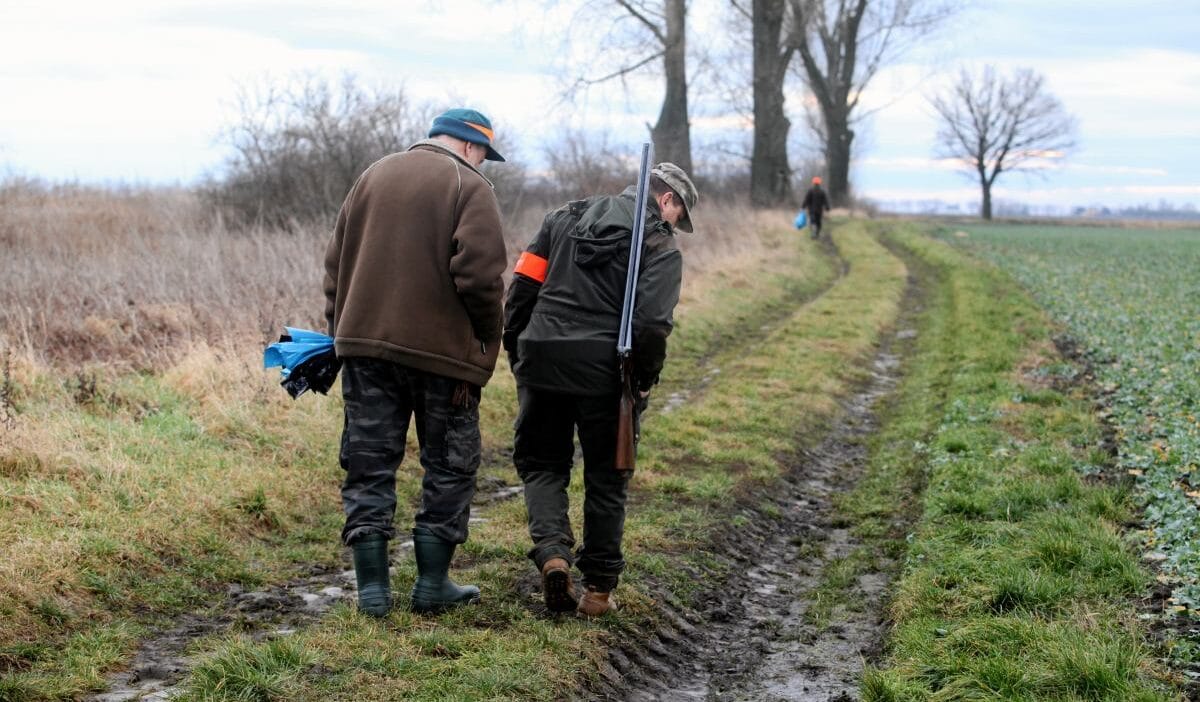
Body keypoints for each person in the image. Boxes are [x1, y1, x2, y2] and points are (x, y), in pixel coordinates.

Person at [322, 108, 508, 617]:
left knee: (368, 465)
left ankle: (373, 593)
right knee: (449, 464)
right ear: (472, 147)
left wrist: (342, 331)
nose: (483, 163)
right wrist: (487, 337)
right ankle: (431, 585)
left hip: (364, 350)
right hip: (443, 359)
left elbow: (336, 267)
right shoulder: (470, 187)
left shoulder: (371, 176)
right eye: (484, 155)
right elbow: (481, 278)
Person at [502, 162, 698, 617]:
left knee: (542, 464)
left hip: (542, 359)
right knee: (607, 479)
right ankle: (597, 594)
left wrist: (520, 349)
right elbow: (651, 325)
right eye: (678, 214)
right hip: (606, 374)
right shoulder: (658, 243)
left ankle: (553, 554)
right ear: (667, 199)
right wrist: (643, 382)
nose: (675, 225)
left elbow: (522, 288)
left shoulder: (562, 217)